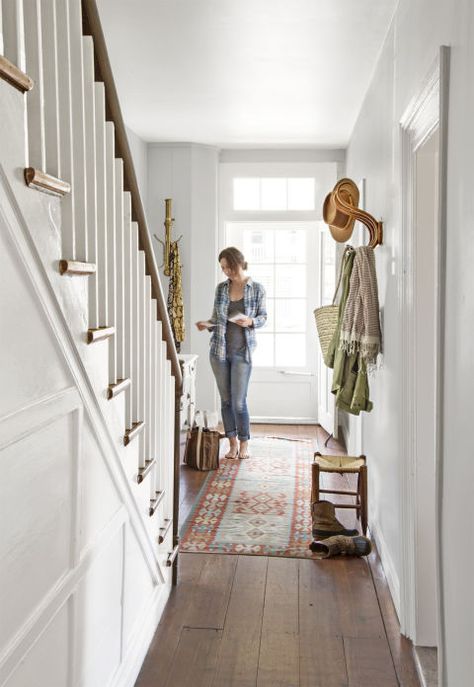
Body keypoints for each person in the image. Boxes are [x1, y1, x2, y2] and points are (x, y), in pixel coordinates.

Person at [195, 247, 267, 459]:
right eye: (223, 268)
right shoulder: (221, 289)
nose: (226, 271)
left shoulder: (257, 289)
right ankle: (232, 444)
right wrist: (205, 324)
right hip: (219, 352)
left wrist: (251, 321)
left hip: (242, 353)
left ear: (240, 262)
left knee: (238, 401)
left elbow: (263, 317)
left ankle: (245, 444)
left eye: (229, 267)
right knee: (225, 401)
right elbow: (217, 319)